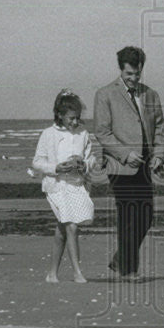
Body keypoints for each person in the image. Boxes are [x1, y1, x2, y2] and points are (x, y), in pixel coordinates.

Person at [93, 46, 164, 280]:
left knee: (146, 216)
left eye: (137, 74)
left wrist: (159, 155)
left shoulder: (151, 94)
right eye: (129, 75)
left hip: (146, 164)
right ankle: (129, 269)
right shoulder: (105, 94)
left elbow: (160, 129)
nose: (133, 79)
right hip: (120, 166)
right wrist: (125, 154)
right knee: (127, 215)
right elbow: (102, 133)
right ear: (121, 70)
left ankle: (120, 259)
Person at [32, 89, 98, 283]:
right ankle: (78, 272)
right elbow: (37, 162)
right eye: (71, 118)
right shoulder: (48, 134)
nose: (75, 122)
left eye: (77, 118)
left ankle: (52, 274)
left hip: (77, 186)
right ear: (60, 115)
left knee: (62, 229)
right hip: (56, 186)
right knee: (72, 225)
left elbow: (91, 158)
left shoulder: (83, 134)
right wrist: (56, 167)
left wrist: (84, 164)